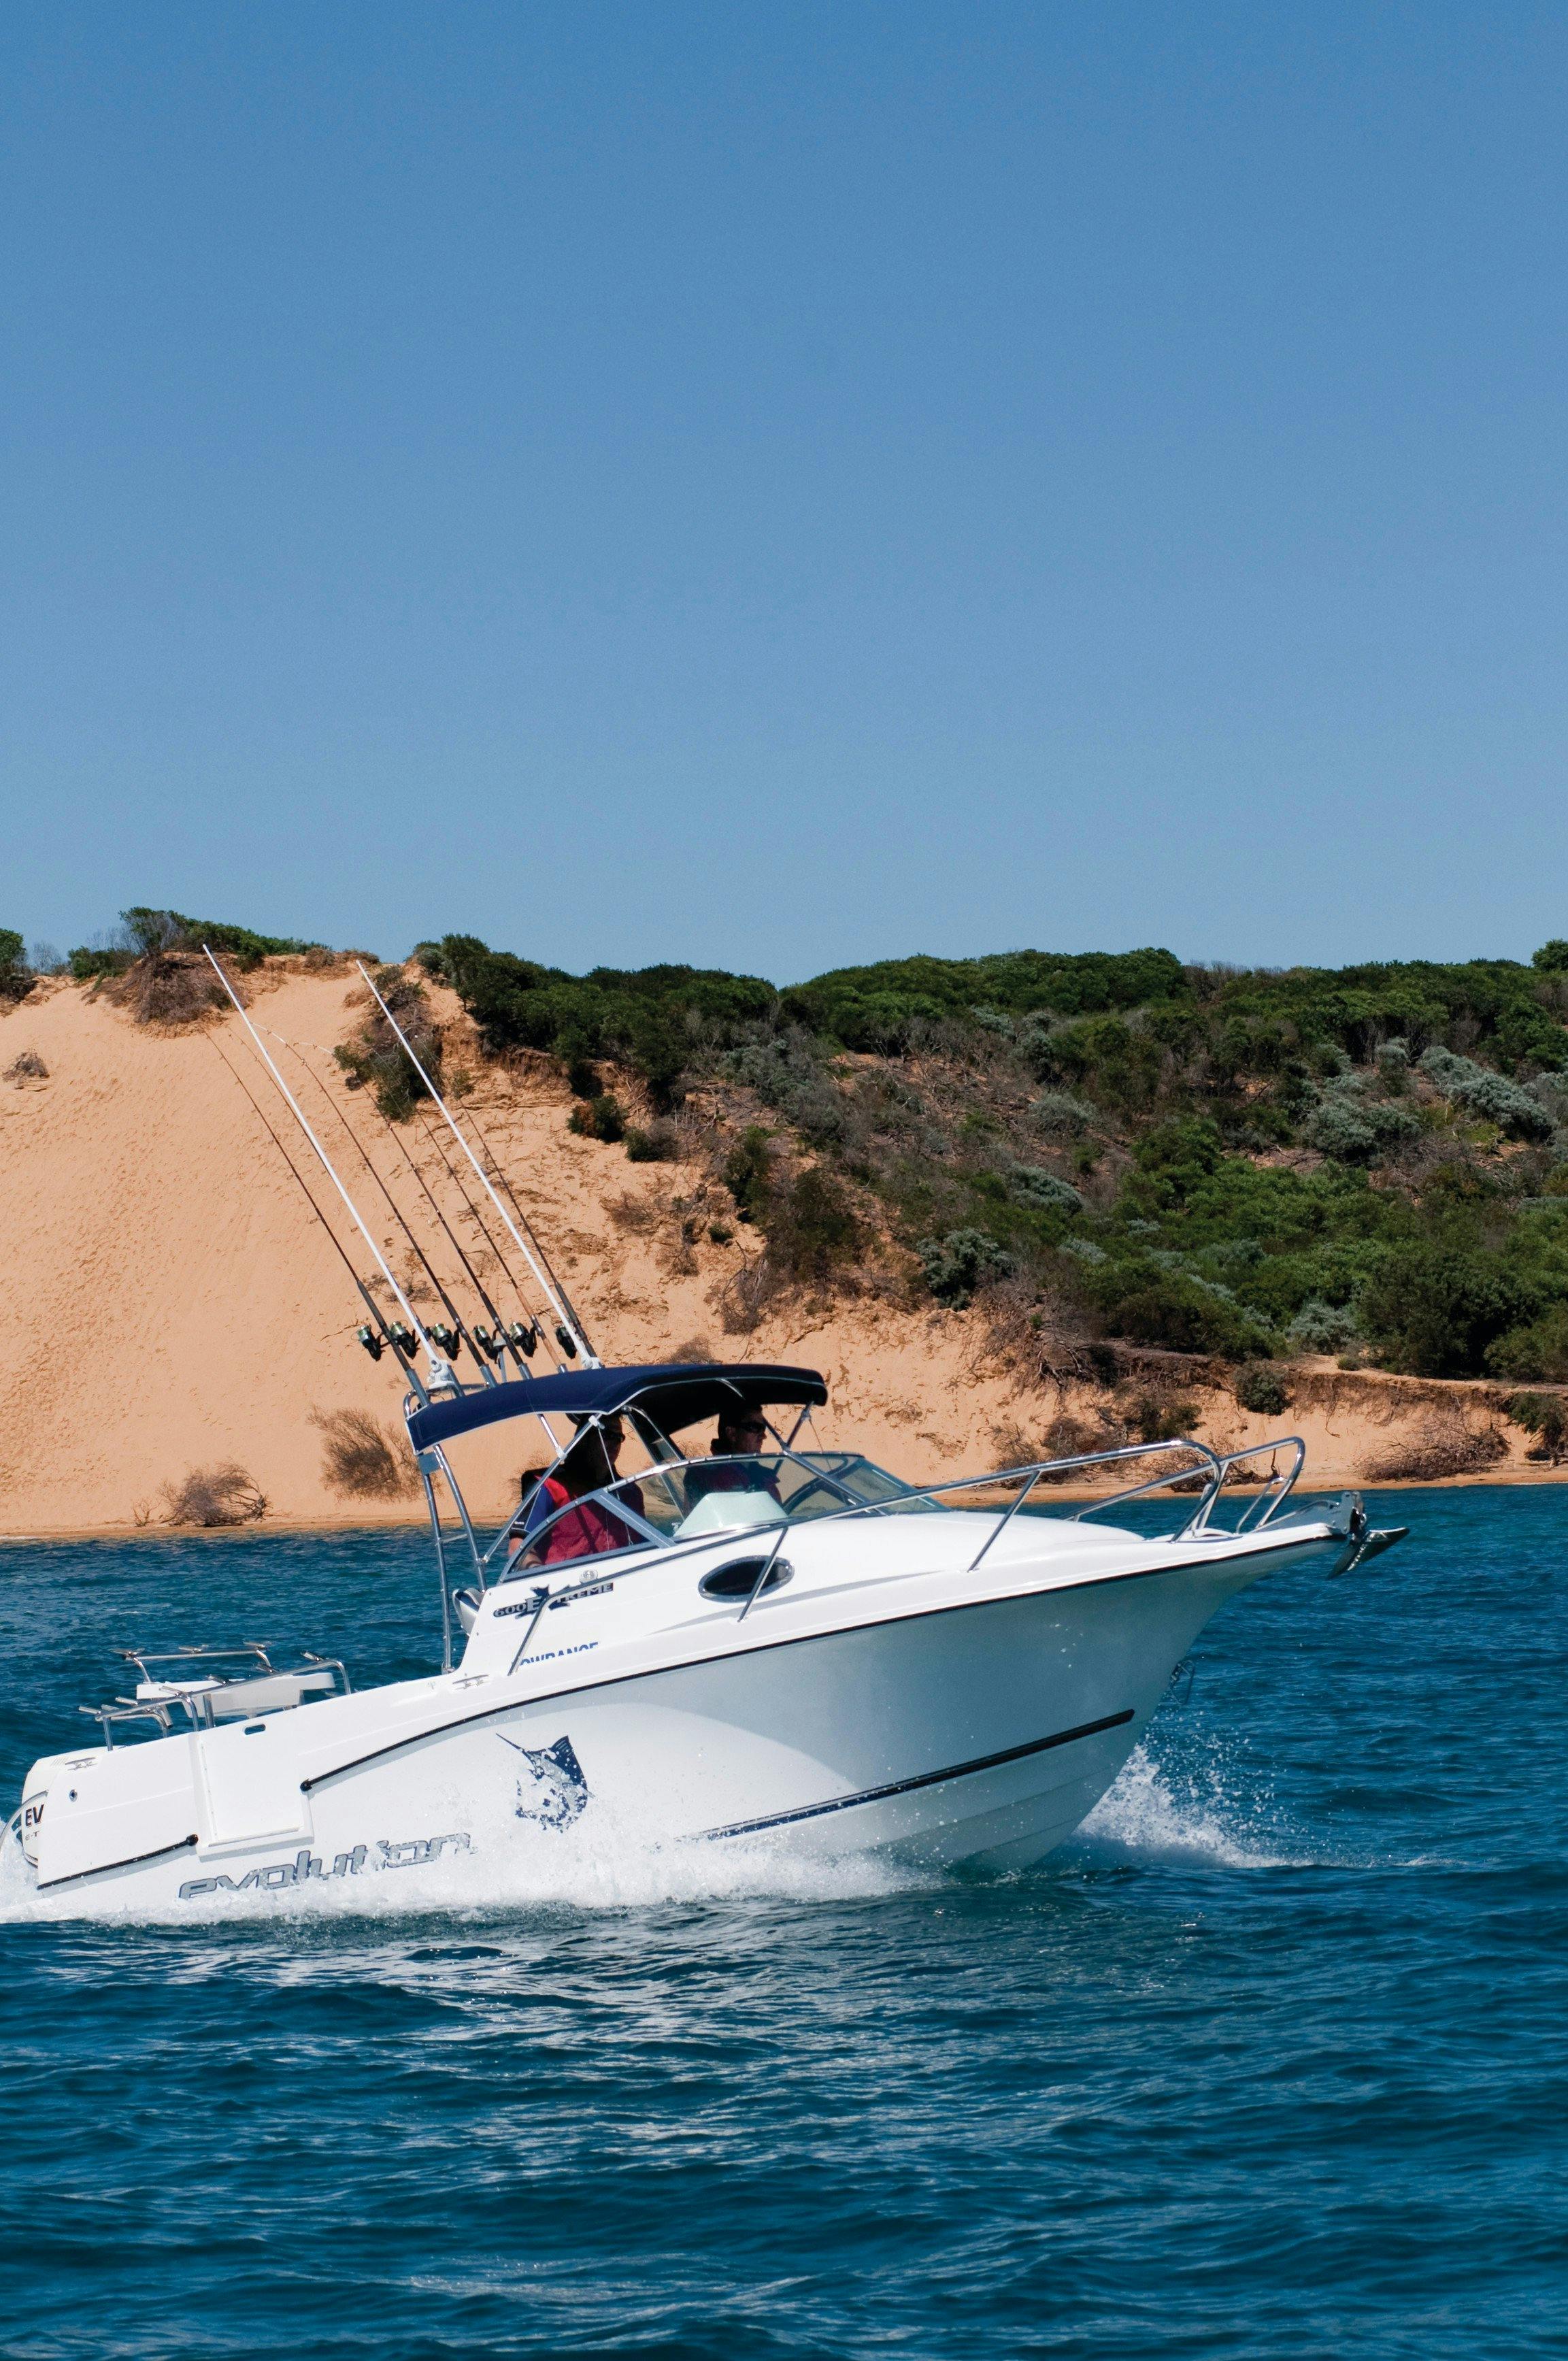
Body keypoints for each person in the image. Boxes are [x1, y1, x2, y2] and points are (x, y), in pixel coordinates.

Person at [520, 1416, 646, 1566]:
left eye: (619, 1438)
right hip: (565, 1582)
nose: (614, 1443)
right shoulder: (549, 1486)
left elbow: (644, 1543)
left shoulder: (630, 1493)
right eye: (606, 1435)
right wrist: (535, 1570)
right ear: (584, 1439)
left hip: (621, 1578)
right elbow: (520, 1543)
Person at [683, 1406, 783, 1503]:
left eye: (763, 1428)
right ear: (732, 1434)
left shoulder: (764, 1477)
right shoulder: (703, 1476)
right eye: (755, 1427)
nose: (763, 1436)